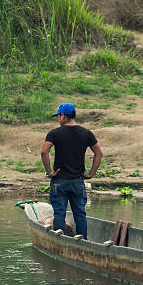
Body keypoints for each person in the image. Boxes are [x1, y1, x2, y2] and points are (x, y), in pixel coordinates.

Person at [41, 102, 103, 239]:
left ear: (63, 116)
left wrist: (50, 172)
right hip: (77, 181)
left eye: (58, 116)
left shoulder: (54, 133)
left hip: (59, 181)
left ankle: (59, 241)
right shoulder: (86, 133)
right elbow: (99, 153)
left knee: (59, 213)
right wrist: (91, 173)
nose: (58, 119)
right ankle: (83, 242)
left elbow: (44, 151)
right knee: (80, 213)